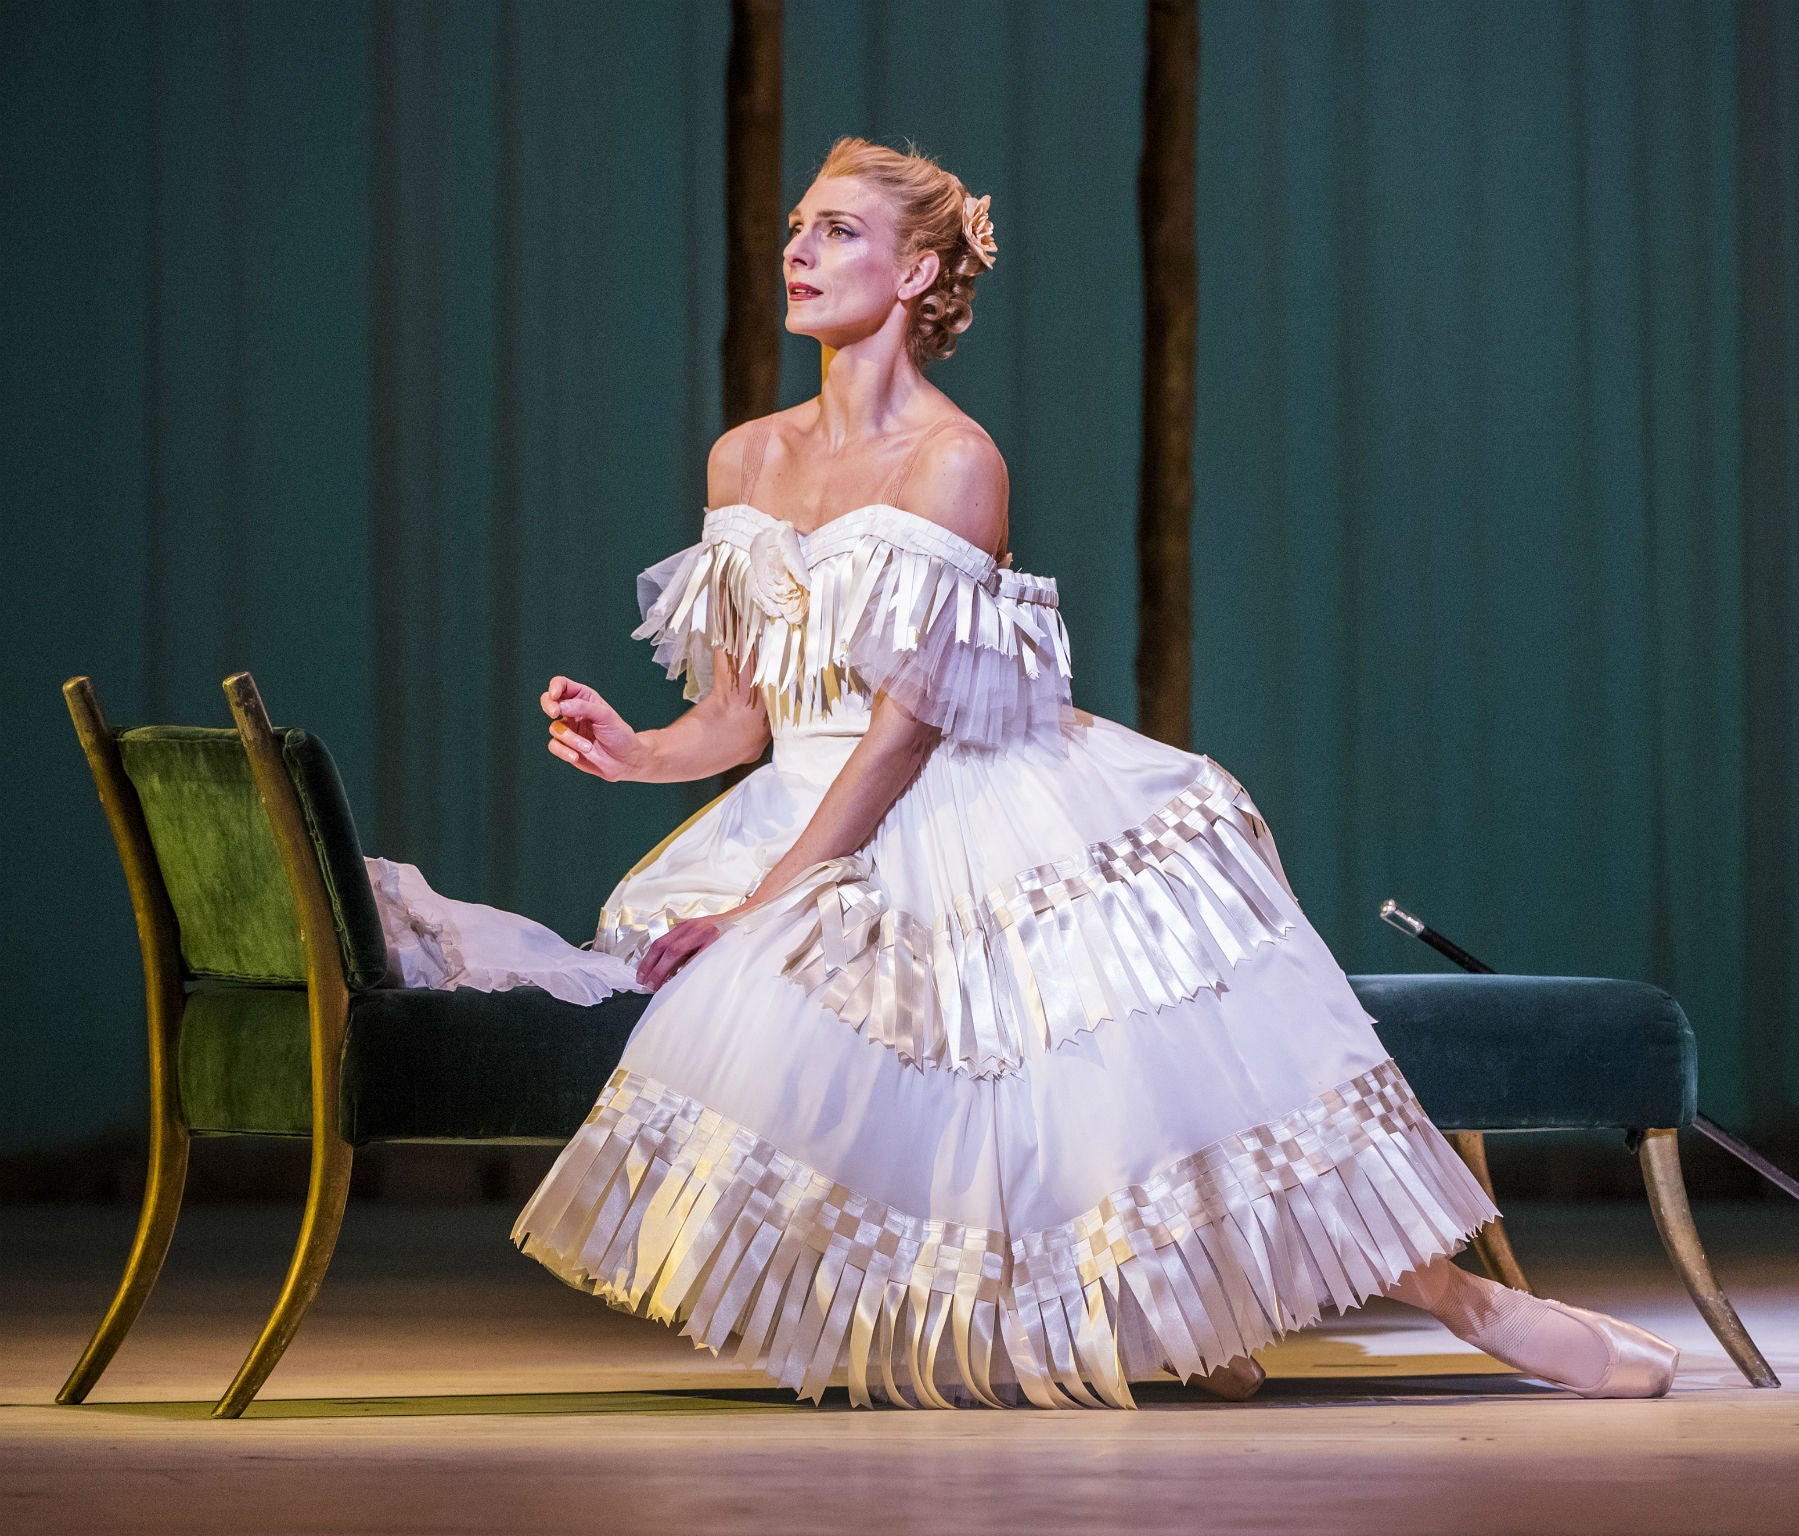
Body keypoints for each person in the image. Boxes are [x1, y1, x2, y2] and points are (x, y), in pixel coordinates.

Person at [378, 135, 1681, 1410]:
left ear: (919, 272)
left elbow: (904, 732)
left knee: (1117, 1084)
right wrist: (641, 749)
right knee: (893, 1094)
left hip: (963, 807)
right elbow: (743, 713)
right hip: (807, 810)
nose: (798, 248)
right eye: (795, 226)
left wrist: (767, 902)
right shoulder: (748, 458)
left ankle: (1474, 1306)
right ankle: (1192, 1320)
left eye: (838, 231)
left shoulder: (957, 463)